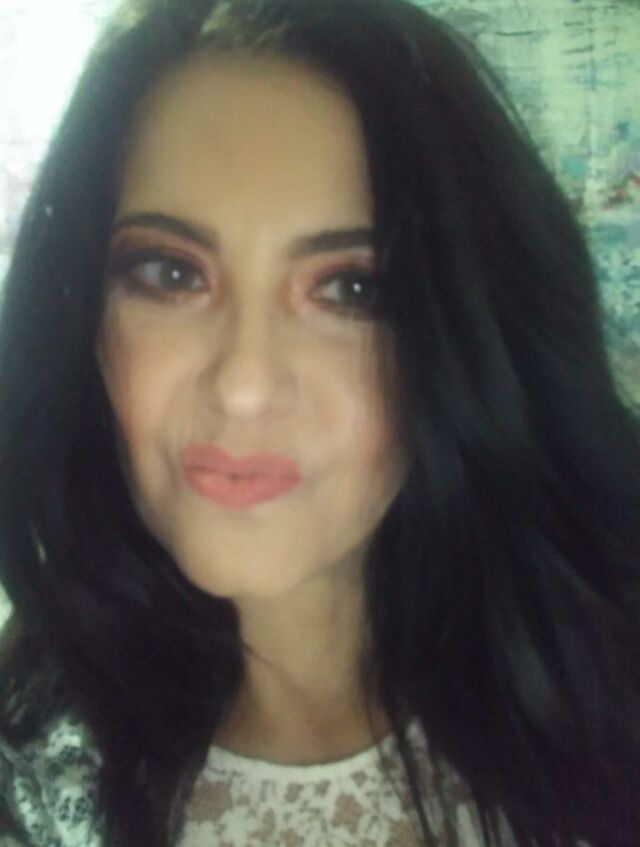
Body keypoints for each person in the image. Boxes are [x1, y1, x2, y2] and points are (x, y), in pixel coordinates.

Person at [0, 0, 639, 844]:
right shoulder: (33, 770)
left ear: (465, 335)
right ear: (87, 323)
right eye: (171, 273)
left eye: (351, 289)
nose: (243, 387)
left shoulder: (610, 688)